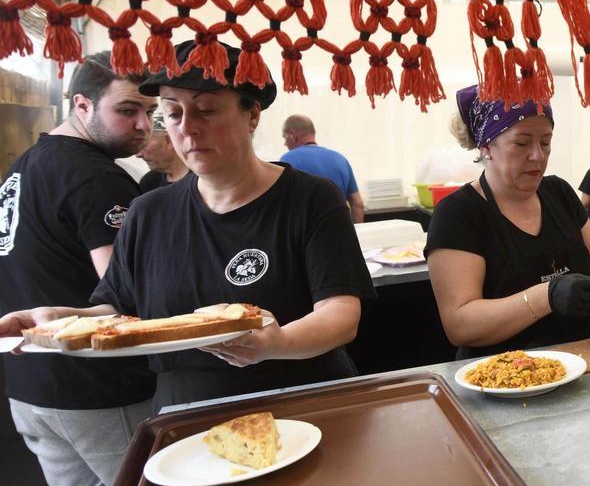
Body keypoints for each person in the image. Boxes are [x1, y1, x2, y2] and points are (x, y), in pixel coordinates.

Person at [10, 41, 374, 412]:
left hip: (303, 399)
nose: (188, 129)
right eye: (172, 113)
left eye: (206, 110)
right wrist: (60, 320)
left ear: (252, 115)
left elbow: (341, 314)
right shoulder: (147, 212)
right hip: (186, 411)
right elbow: (121, 310)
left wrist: (275, 343)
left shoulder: (310, 198)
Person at [0, 52, 157, 486]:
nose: (143, 125)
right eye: (127, 110)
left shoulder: (26, 165)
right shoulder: (96, 177)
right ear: (82, 105)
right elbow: (130, 287)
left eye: (150, 113)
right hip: (95, 388)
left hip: (30, 382)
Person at [425, 86, 590, 358]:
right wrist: (548, 296)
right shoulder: (458, 213)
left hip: (585, 358)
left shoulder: (559, 193)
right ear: (486, 147)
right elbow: (460, 324)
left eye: (545, 142)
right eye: (522, 143)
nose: (538, 156)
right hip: (505, 377)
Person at [280, 115, 365, 223]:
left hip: (306, 236)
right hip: (339, 232)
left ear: (292, 135)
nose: (284, 143)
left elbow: (281, 207)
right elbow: (358, 204)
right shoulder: (340, 159)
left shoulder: (287, 161)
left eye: (284, 137)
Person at [135, 111, 189, 192]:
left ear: (169, 140)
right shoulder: (149, 182)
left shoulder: (203, 179)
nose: (138, 155)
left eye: (144, 144)